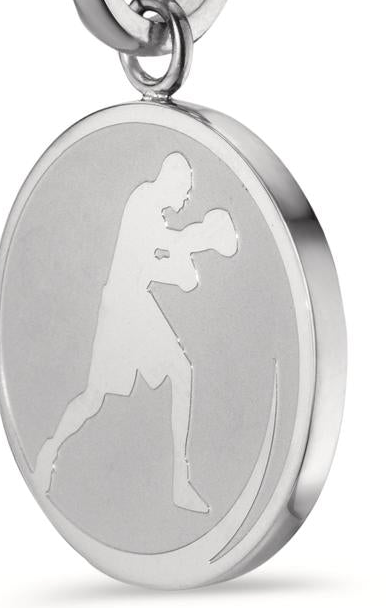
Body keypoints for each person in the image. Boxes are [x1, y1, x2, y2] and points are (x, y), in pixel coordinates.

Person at [33, 152, 237, 513]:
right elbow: (161, 255)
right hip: (121, 309)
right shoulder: (142, 202)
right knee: (93, 397)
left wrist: (190, 257)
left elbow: (168, 260)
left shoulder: (154, 214)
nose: (186, 199)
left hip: (135, 306)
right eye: (185, 191)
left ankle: (180, 483)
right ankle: (50, 450)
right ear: (170, 181)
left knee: (181, 373)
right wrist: (200, 243)